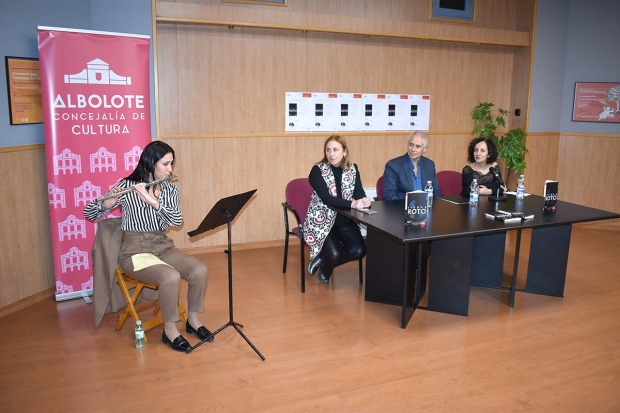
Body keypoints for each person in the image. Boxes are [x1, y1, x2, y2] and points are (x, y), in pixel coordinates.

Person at [84, 141, 212, 352]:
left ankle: (193, 320)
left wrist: (155, 202)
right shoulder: (127, 185)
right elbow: (89, 213)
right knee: (170, 277)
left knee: (199, 270)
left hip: (162, 245)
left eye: (172, 163)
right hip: (135, 250)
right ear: (151, 162)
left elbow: (176, 221)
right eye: (165, 164)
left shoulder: (170, 189)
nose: (170, 169)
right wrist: (108, 203)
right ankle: (170, 330)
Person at [303, 135, 371, 284]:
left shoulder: (352, 169)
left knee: (359, 250)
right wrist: (353, 204)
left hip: (344, 219)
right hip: (322, 220)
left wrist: (364, 199)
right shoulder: (317, 171)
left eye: (335, 150)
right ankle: (325, 270)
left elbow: (358, 191)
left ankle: (322, 259)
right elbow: (327, 200)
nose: (331, 154)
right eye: (328, 150)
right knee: (334, 253)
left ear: (344, 152)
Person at [382, 131, 442, 200]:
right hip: (401, 208)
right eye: (411, 145)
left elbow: (436, 191)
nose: (413, 149)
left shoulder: (429, 165)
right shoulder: (393, 166)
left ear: (424, 149)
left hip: (425, 208)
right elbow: (389, 195)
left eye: (418, 146)